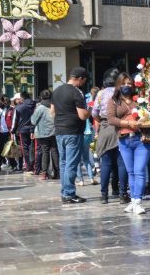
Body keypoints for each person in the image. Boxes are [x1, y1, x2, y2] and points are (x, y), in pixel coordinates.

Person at [107, 72, 150, 214]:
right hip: (124, 139)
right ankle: (133, 201)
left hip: (141, 139)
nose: (127, 86)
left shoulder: (139, 99)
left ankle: (138, 201)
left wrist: (141, 120)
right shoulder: (114, 100)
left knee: (139, 171)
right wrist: (128, 122)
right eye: (124, 83)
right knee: (131, 172)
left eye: (129, 84)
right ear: (118, 85)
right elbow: (111, 119)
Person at [52, 67, 91, 204]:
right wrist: (90, 111)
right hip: (73, 132)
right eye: (84, 81)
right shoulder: (77, 92)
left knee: (63, 163)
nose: (83, 83)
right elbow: (82, 115)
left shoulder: (56, 91)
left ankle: (65, 192)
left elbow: (52, 112)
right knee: (71, 164)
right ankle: (69, 193)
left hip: (59, 131)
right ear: (80, 79)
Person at [93, 69, 128, 204]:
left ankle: (104, 196)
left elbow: (94, 112)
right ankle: (122, 193)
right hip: (121, 127)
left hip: (105, 128)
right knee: (121, 162)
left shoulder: (101, 94)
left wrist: (103, 121)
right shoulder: (121, 92)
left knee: (106, 163)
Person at [31, 89, 58, 179]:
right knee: (54, 151)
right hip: (55, 132)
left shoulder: (40, 108)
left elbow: (33, 121)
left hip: (42, 134)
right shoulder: (55, 106)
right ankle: (57, 172)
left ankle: (44, 173)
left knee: (45, 152)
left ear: (41, 97)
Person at [12, 92, 36, 173]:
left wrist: (13, 130)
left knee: (25, 148)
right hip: (33, 129)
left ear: (22, 98)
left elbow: (15, 120)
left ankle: (28, 166)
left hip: (23, 130)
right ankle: (33, 164)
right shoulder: (35, 105)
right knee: (32, 147)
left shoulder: (19, 107)